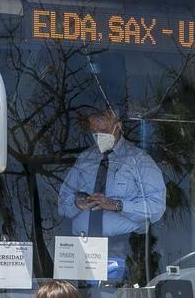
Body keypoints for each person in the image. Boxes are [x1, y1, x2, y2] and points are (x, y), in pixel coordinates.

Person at [57, 109, 166, 284]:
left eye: (104, 131)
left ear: (119, 126)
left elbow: (157, 207)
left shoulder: (139, 160)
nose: (99, 136)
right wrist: (77, 204)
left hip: (122, 247)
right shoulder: (85, 158)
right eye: (95, 132)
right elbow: (61, 204)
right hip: (81, 248)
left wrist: (116, 205)